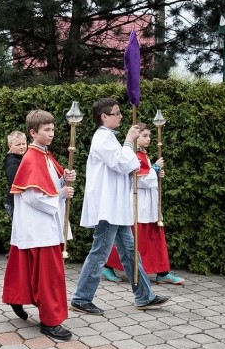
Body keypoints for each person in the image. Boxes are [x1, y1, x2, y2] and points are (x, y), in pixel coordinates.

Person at [70, 98, 170, 315]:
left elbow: (127, 165)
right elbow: (123, 163)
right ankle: (81, 297)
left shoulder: (108, 138)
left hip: (115, 205)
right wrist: (128, 141)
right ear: (104, 117)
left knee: (130, 251)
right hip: (108, 206)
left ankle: (144, 295)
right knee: (100, 252)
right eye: (116, 113)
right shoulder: (103, 138)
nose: (121, 116)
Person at [3, 110, 76, 340]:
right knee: (48, 275)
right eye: (47, 130)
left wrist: (64, 179)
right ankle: (50, 321)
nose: (52, 133)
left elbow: (49, 184)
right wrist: (61, 194)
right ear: (33, 132)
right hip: (39, 227)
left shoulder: (45, 155)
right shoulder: (32, 158)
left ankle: (17, 298)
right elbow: (33, 196)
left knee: (30, 269)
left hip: (44, 225)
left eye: (53, 129)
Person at [103, 123, 185, 285]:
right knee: (132, 239)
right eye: (144, 136)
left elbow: (148, 178)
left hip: (149, 205)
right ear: (135, 137)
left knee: (152, 238)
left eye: (149, 136)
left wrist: (155, 172)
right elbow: (139, 181)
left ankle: (162, 272)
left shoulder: (142, 154)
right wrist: (154, 169)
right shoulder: (133, 156)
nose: (148, 139)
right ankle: (108, 265)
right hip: (138, 205)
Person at [3, 130, 27, 218]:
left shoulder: (21, 158)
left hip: (18, 201)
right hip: (15, 202)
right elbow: (16, 181)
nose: (22, 147)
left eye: (24, 144)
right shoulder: (12, 161)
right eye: (18, 145)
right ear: (10, 146)